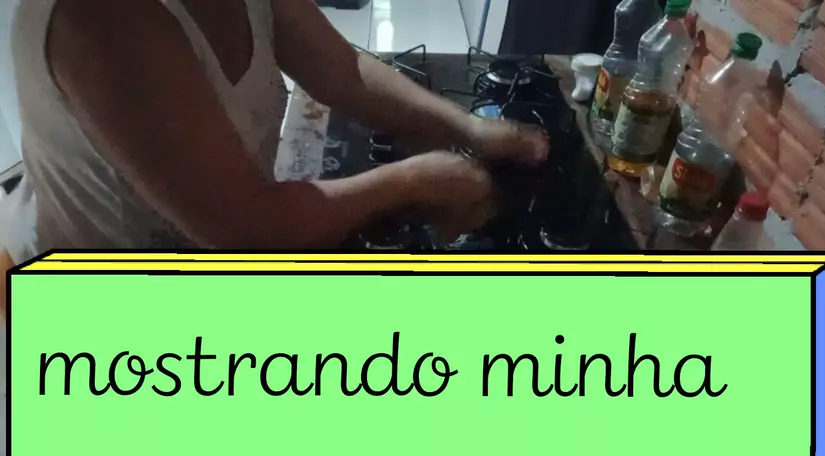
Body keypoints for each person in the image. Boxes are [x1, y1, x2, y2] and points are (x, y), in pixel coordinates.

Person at [11, 0, 549, 250]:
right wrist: (416, 180)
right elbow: (247, 227)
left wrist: (467, 130)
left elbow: (342, 70)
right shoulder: (104, 21)